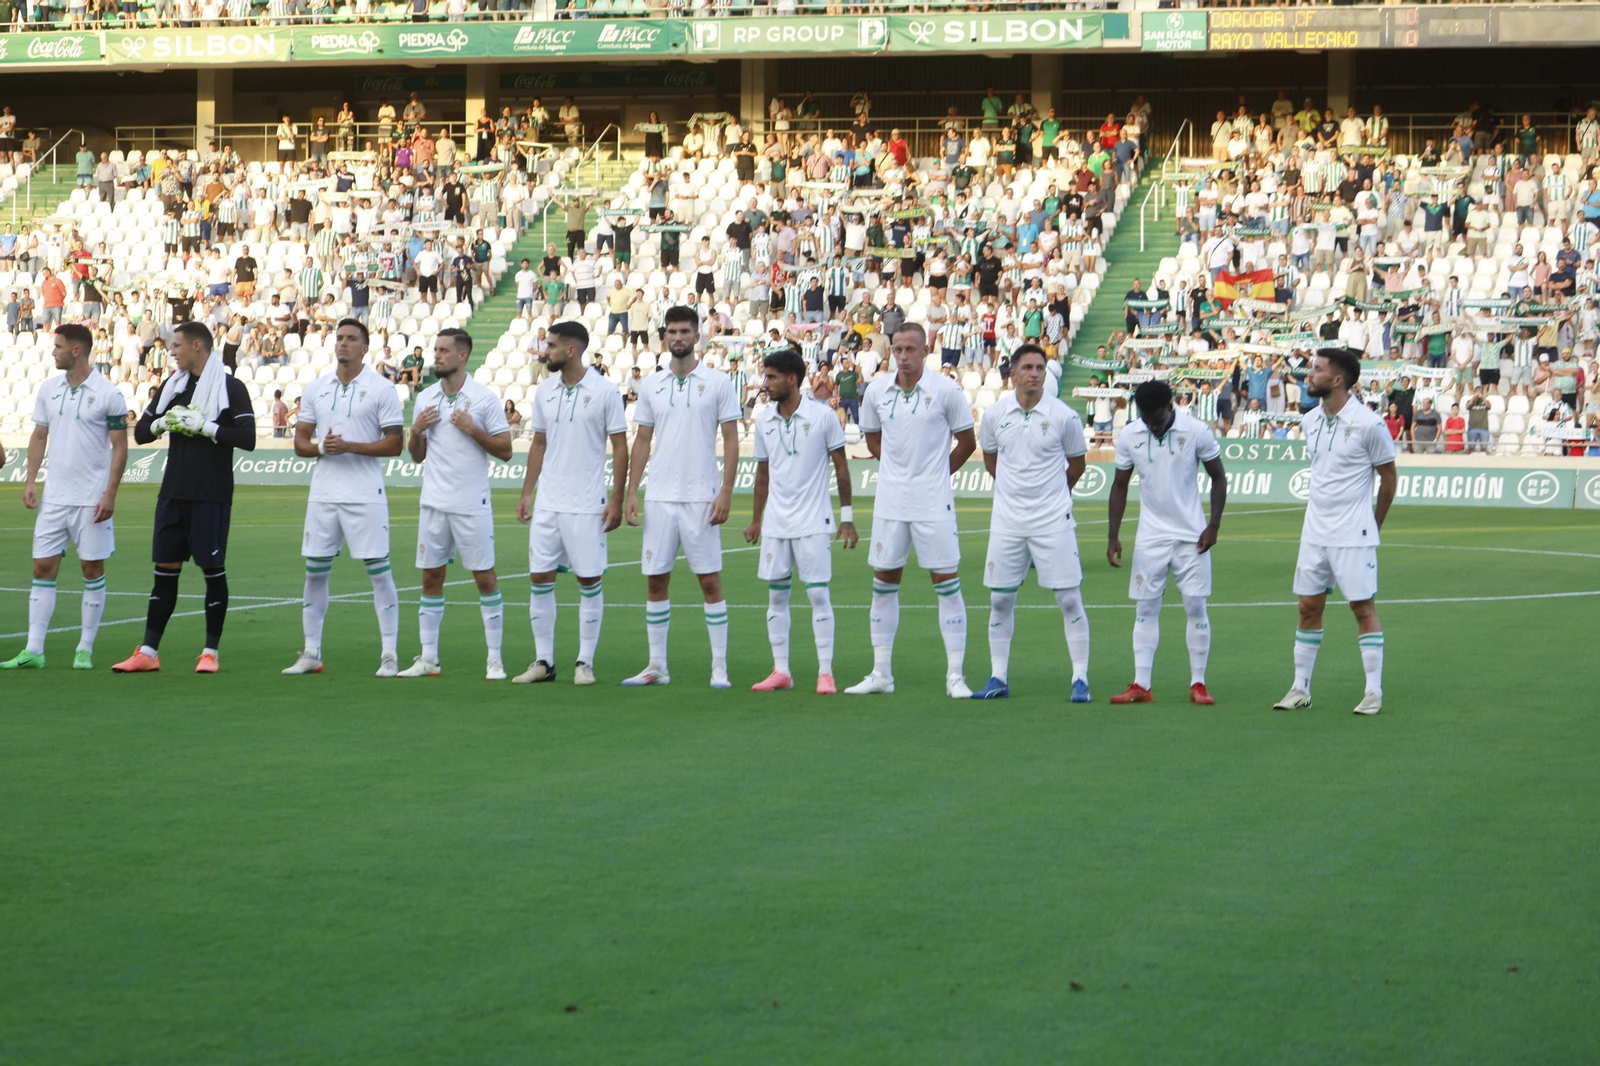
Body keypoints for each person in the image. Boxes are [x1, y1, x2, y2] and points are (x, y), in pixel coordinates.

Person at [114, 321, 257, 675]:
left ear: (197, 346)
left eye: (176, 346)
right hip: (174, 492)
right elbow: (144, 433)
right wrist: (165, 423)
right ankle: (148, 651)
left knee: (212, 571)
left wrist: (206, 428)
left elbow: (248, 437)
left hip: (211, 494)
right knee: (164, 572)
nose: (171, 352)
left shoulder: (230, 387)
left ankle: (210, 652)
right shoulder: (171, 387)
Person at [847, 323, 978, 699]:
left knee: (947, 584)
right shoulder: (876, 390)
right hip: (890, 501)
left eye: (910, 349)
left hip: (933, 501)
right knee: (884, 583)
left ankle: (955, 676)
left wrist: (936, 474)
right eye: (898, 349)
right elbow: (873, 437)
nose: (903, 356)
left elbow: (967, 441)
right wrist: (896, 468)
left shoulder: (945, 390)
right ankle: (881, 673)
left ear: (925, 351)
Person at [1273, 348, 1398, 716]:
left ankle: (1373, 691)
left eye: (1317, 370)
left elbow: (1388, 477)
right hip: (1314, 531)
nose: (1309, 375)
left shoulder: (1368, 424)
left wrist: (1373, 525)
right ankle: (1300, 688)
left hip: (1352, 532)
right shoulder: (1310, 420)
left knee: (1362, 607)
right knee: (1307, 607)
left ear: (1338, 380)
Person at [622, 305, 742, 688]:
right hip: (659, 496)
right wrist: (632, 492)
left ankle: (719, 667)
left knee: (710, 582)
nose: (678, 338)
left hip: (701, 497)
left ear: (697, 336)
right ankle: (657, 666)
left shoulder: (719, 382)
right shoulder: (652, 385)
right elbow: (642, 439)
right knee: (656, 581)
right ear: (665, 337)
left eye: (685, 331)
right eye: (672, 331)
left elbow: (731, 438)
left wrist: (725, 491)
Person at [281, 320, 406, 678]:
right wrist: (323, 446)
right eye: (339, 338)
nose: (343, 344)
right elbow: (301, 443)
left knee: (379, 572)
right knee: (314, 572)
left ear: (365, 348)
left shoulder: (381, 389)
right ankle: (311, 652)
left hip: (365, 495)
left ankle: (389, 653)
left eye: (352, 339)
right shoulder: (317, 388)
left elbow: (395, 443)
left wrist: (351, 446)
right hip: (323, 495)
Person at [2, 325, 129, 671]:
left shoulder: (108, 394)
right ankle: (34, 649)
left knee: (91, 569)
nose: (52, 352)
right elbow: (39, 436)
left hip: (91, 500)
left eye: (58, 346)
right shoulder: (48, 390)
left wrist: (110, 493)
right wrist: (30, 480)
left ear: (77, 351)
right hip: (54, 498)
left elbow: (120, 447)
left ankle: (85, 648)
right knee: (42, 568)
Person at [970, 344, 1091, 702]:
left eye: (1040, 367)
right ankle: (997, 677)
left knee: (1069, 599)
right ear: (1014, 373)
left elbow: (1077, 465)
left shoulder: (1063, 415)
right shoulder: (995, 414)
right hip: (1007, 522)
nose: (1035, 373)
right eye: (1028, 367)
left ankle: (1080, 680)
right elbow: (991, 461)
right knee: (999, 600)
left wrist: (1051, 495)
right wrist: (1015, 495)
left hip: (1053, 520)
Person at [513, 321, 628, 687]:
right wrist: (527, 491)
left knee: (588, 579)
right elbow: (539, 444)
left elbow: (620, 446)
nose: (545, 351)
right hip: (549, 502)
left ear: (571, 350)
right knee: (539, 578)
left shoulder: (605, 391)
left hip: (586, 502)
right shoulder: (545, 390)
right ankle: (544, 661)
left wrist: (617, 498)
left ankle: (584, 663)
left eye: (551, 345)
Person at [1105, 379, 1228, 706]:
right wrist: (1113, 535)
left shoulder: (1196, 430)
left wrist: (1213, 525)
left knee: (1195, 606)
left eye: (1156, 417)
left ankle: (1198, 683)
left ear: (1170, 404)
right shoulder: (1131, 434)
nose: (1152, 424)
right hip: (1150, 537)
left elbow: (1218, 477)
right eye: (1146, 418)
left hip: (1192, 537)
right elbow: (1119, 485)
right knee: (1145, 609)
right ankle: (1141, 685)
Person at [399, 329, 513, 680]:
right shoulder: (426, 398)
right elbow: (416, 457)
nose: (437, 356)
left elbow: (506, 450)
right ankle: (429, 657)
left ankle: (494, 659)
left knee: (484, 579)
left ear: (462, 356)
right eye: (436, 349)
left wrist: (472, 429)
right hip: (434, 501)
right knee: (431, 577)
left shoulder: (483, 399)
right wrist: (415, 431)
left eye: (444, 350)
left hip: (470, 501)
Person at [744, 348, 858, 696]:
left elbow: (841, 467)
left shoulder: (822, 417)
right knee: (776, 597)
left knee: (818, 595)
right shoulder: (764, 419)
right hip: (777, 524)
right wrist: (756, 520)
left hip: (813, 522)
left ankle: (826, 673)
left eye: (772, 377)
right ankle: (781, 671)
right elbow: (762, 473)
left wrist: (847, 518)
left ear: (792, 379)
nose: (766, 384)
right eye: (766, 376)